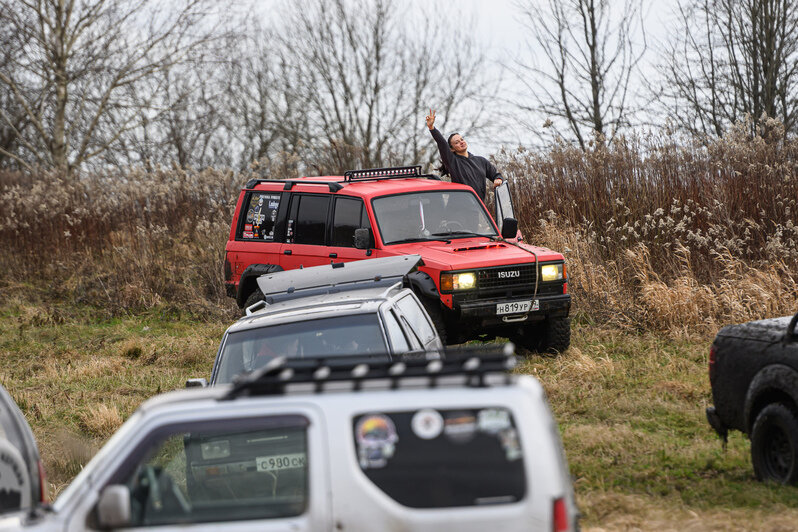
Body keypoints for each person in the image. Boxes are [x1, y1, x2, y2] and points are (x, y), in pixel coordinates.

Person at [425, 109, 503, 201]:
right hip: (459, 209)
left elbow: (496, 174)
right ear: (452, 149)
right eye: (457, 142)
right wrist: (431, 128)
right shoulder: (453, 162)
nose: (461, 142)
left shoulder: (481, 161)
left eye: (462, 139)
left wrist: (498, 179)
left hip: (479, 208)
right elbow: (442, 143)